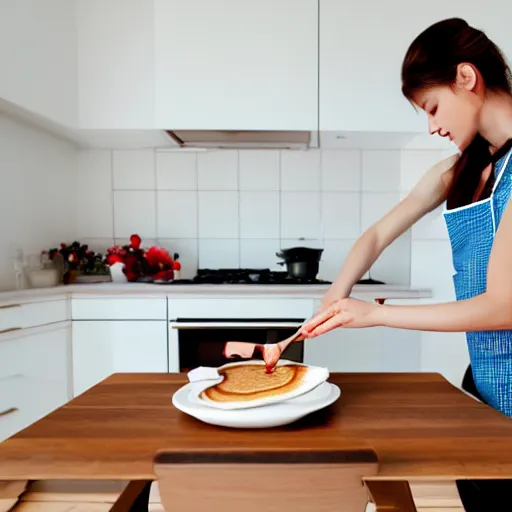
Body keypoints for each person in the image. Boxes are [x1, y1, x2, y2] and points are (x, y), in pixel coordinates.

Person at [299, 17, 512, 512]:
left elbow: (503, 306)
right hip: (482, 384)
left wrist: (375, 313)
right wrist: (332, 301)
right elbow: (374, 235)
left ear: (466, 76)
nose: (433, 125)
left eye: (432, 107)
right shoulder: (462, 170)